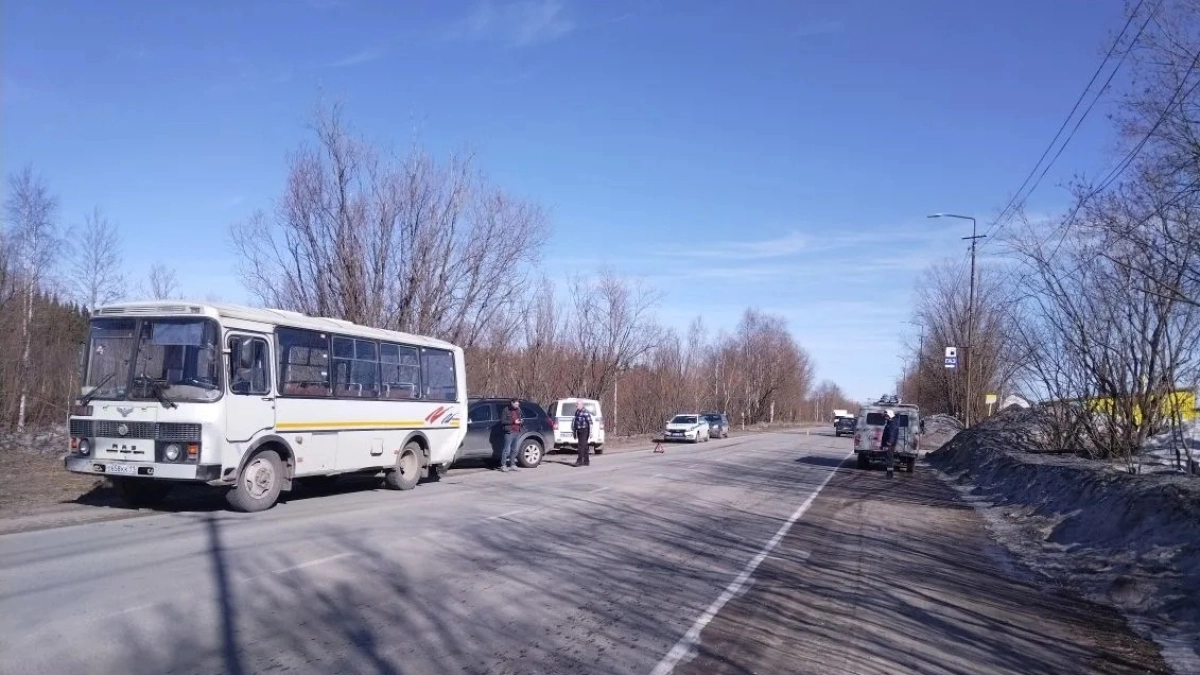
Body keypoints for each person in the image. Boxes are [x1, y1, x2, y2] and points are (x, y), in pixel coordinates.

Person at [501, 399, 522, 472]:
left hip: (517, 431)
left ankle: (512, 464)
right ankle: (503, 465)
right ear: (512, 403)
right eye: (516, 404)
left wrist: (521, 421)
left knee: (514, 449)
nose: (517, 406)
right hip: (509, 432)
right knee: (506, 449)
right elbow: (503, 421)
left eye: (518, 404)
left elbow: (519, 418)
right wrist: (513, 421)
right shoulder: (506, 410)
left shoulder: (518, 410)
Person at [880, 409, 899, 478]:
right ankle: (889, 474)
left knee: (889, 459)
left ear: (890, 415)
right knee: (888, 459)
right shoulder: (890, 422)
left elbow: (892, 435)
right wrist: (883, 444)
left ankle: (889, 475)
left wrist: (888, 443)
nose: (885, 417)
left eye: (886, 416)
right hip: (889, 444)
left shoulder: (893, 423)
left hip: (890, 445)